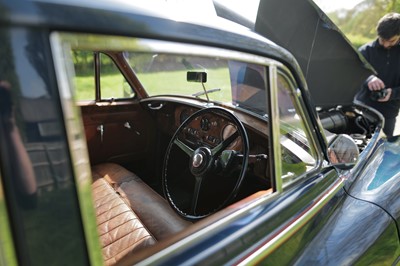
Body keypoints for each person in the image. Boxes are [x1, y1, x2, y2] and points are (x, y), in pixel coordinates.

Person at [355, 12, 400, 137]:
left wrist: (393, 93)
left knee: (384, 150)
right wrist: (369, 78)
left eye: (391, 41)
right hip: (362, 109)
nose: (385, 44)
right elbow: (353, 74)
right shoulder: (365, 51)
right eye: (382, 40)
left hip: (389, 114)